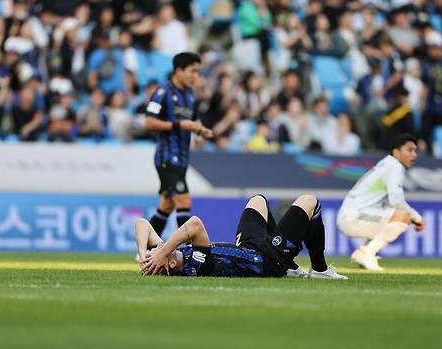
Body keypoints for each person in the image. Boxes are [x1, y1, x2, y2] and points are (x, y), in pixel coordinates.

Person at [136, 194, 347, 280]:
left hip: (250, 248)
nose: (155, 249)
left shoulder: (174, 255)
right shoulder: (194, 265)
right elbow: (195, 224)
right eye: (155, 252)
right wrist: (162, 251)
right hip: (267, 260)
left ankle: (292, 267)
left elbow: (142, 224)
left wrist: (145, 255)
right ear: (170, 263)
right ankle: (320, 269)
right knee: (310, 201)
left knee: (257, 200)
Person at [144, 52, 214, 237]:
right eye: (192, 71)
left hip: (182, 159)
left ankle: (147, 248)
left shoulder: (190, 95)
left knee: (166, 206)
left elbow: (192, 121)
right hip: (167, 158)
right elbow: (149, 122)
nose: (195, 76)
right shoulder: (162, 92)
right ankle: (189, 250)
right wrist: (179, 125)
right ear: (178, 70)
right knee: (184, 202)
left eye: (198, 72)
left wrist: (200, 131)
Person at [337, 134, 424, 271]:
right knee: (404, 216)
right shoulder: (395, 166)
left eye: (415, 151)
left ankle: (365, 253)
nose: (414, 155)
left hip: (352, 215)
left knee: (392, 217)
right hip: (353, 217)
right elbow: (397, 201)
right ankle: (367, 253)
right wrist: (417, 218)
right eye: (409, 150)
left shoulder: (387, 164)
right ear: (396, 152)